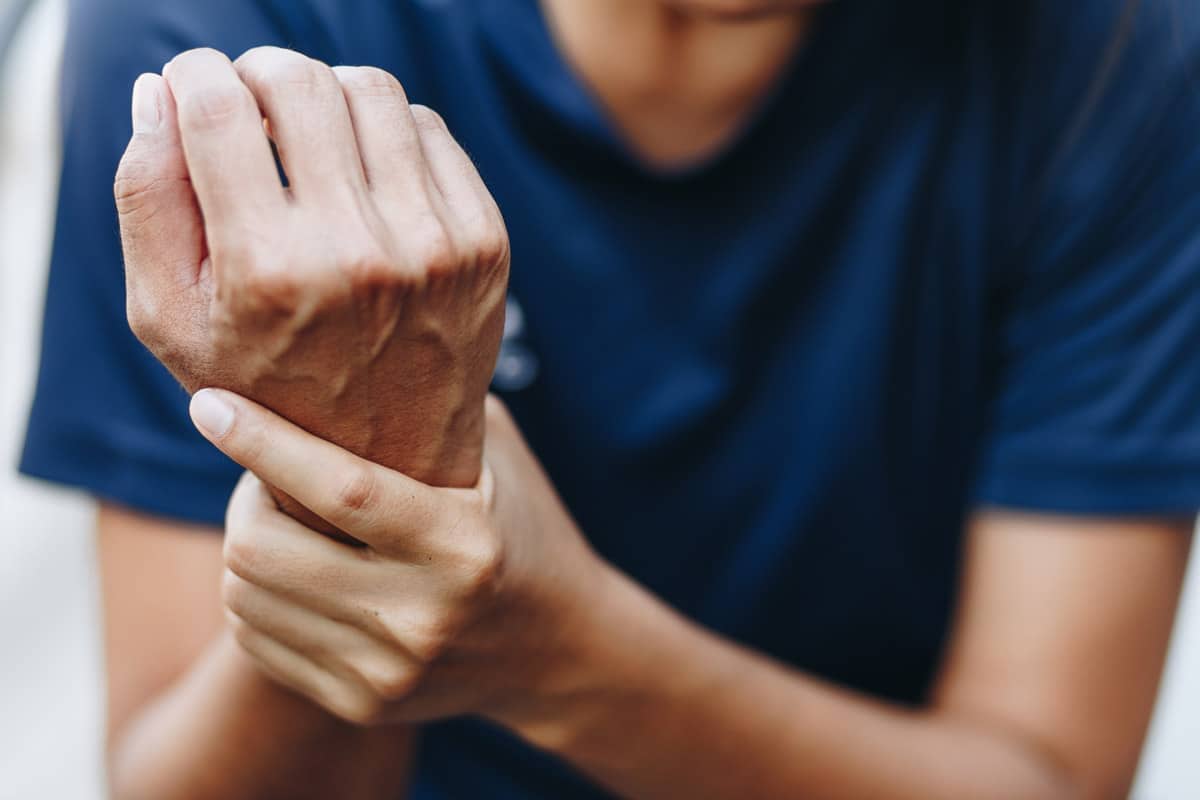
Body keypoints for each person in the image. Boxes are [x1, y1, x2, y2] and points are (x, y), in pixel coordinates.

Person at [19, 0, 1200, 797]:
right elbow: (167, 764)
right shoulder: (223, 43)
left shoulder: (1115, 53)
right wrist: (360, 481)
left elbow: (1044, 767)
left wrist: (559, 650)